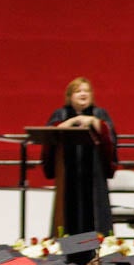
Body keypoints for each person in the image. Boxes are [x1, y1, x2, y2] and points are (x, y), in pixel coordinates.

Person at [41, 76, 118, 236]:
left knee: (95, 212)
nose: (83, 94)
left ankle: (95, 251)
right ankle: (69, 252)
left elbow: (110, 136)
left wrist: (92, 121)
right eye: (78, 91)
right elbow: (50, 136)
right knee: (68, 212)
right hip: (68, 174)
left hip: (94, 174)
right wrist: (72, 121)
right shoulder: (61, 113)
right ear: (70, 96)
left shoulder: (99, 113)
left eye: (86, 91)